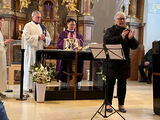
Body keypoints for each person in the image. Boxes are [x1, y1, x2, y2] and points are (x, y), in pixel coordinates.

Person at [103, 11, 139, 113]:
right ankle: (108, 104)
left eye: (123, 19)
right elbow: (107, 41)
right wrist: (121, 37)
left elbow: (135, 46)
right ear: (115, 20)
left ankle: (121, 104)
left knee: (122, 84)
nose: (122, 20)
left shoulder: (127, 31)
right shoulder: (109, 30)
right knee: (110, 83)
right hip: (112, 62)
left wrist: (131, 39)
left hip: (124, 63)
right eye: (120, 19)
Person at [23, 11, 51, 92]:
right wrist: (38, 37)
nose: (39, 19)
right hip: (31, 51)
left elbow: (48, 38)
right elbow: (26, 38)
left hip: (40, 50)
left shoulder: (42, 27)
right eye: (37, 17)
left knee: (39, 68)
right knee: (30, 67)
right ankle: (29, 87)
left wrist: (44, 38)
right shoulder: (28, 26)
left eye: (40, 17)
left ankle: (38, 85)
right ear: (33, 17)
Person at [56, 18, 83, 88]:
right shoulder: (62, 34)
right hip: (65, 56)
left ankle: (77, 82)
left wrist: (75, 40)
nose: (72, 26)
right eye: (71, 24)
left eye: (74, 24)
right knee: (64, 63)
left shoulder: (78, 35)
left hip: (76, 55)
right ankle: (63, 83)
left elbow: (81, 45)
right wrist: (67, 40)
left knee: (80, 62)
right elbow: (59, 45)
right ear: (67, 24)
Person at [0, 16, 13, 98]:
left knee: (1, 73)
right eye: (1, 21)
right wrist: (3, 43)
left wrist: (4, 43)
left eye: (3, 22)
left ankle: (0, 90)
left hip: (1, 55)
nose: (2, 23)